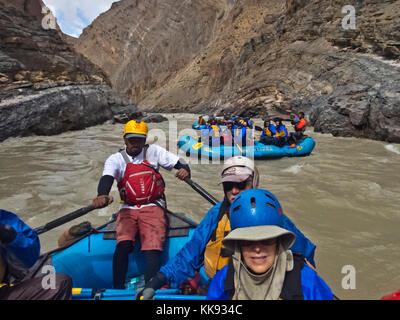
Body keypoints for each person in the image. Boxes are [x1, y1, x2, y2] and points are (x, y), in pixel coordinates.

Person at [136, 156, 316, 299]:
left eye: (240, 184)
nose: (234, 191)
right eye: (228, 185)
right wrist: (156, 281)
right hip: (221, 288)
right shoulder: (216, 215)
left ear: (253, 183)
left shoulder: (271, 214)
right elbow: (189, 256)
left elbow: (305, 256)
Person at [91, 120, 191, 289]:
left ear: (144, 140)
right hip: (128, 208)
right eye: (131, 139)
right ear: (125, 140)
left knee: (151, 248)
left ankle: (150, 289)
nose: (135, 143)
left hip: (153, 206)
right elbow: (107, 178)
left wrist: (185, 170)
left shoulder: (154, 152)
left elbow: (179, 162)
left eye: (139, 139)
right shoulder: (115, 159)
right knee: (123, 246)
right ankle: (117, 289)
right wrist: (102, 195)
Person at [207, 189, 334, 300]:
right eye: (247, 241)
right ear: (238, 245)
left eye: (266, 240)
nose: (257, 248)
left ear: (279, 242)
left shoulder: (306, 281)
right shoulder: (224, 280)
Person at [0, 209, 72, 300]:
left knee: (58, 281)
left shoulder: (4, 219)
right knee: (61, 282)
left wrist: (12, 238)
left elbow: (30, 257)